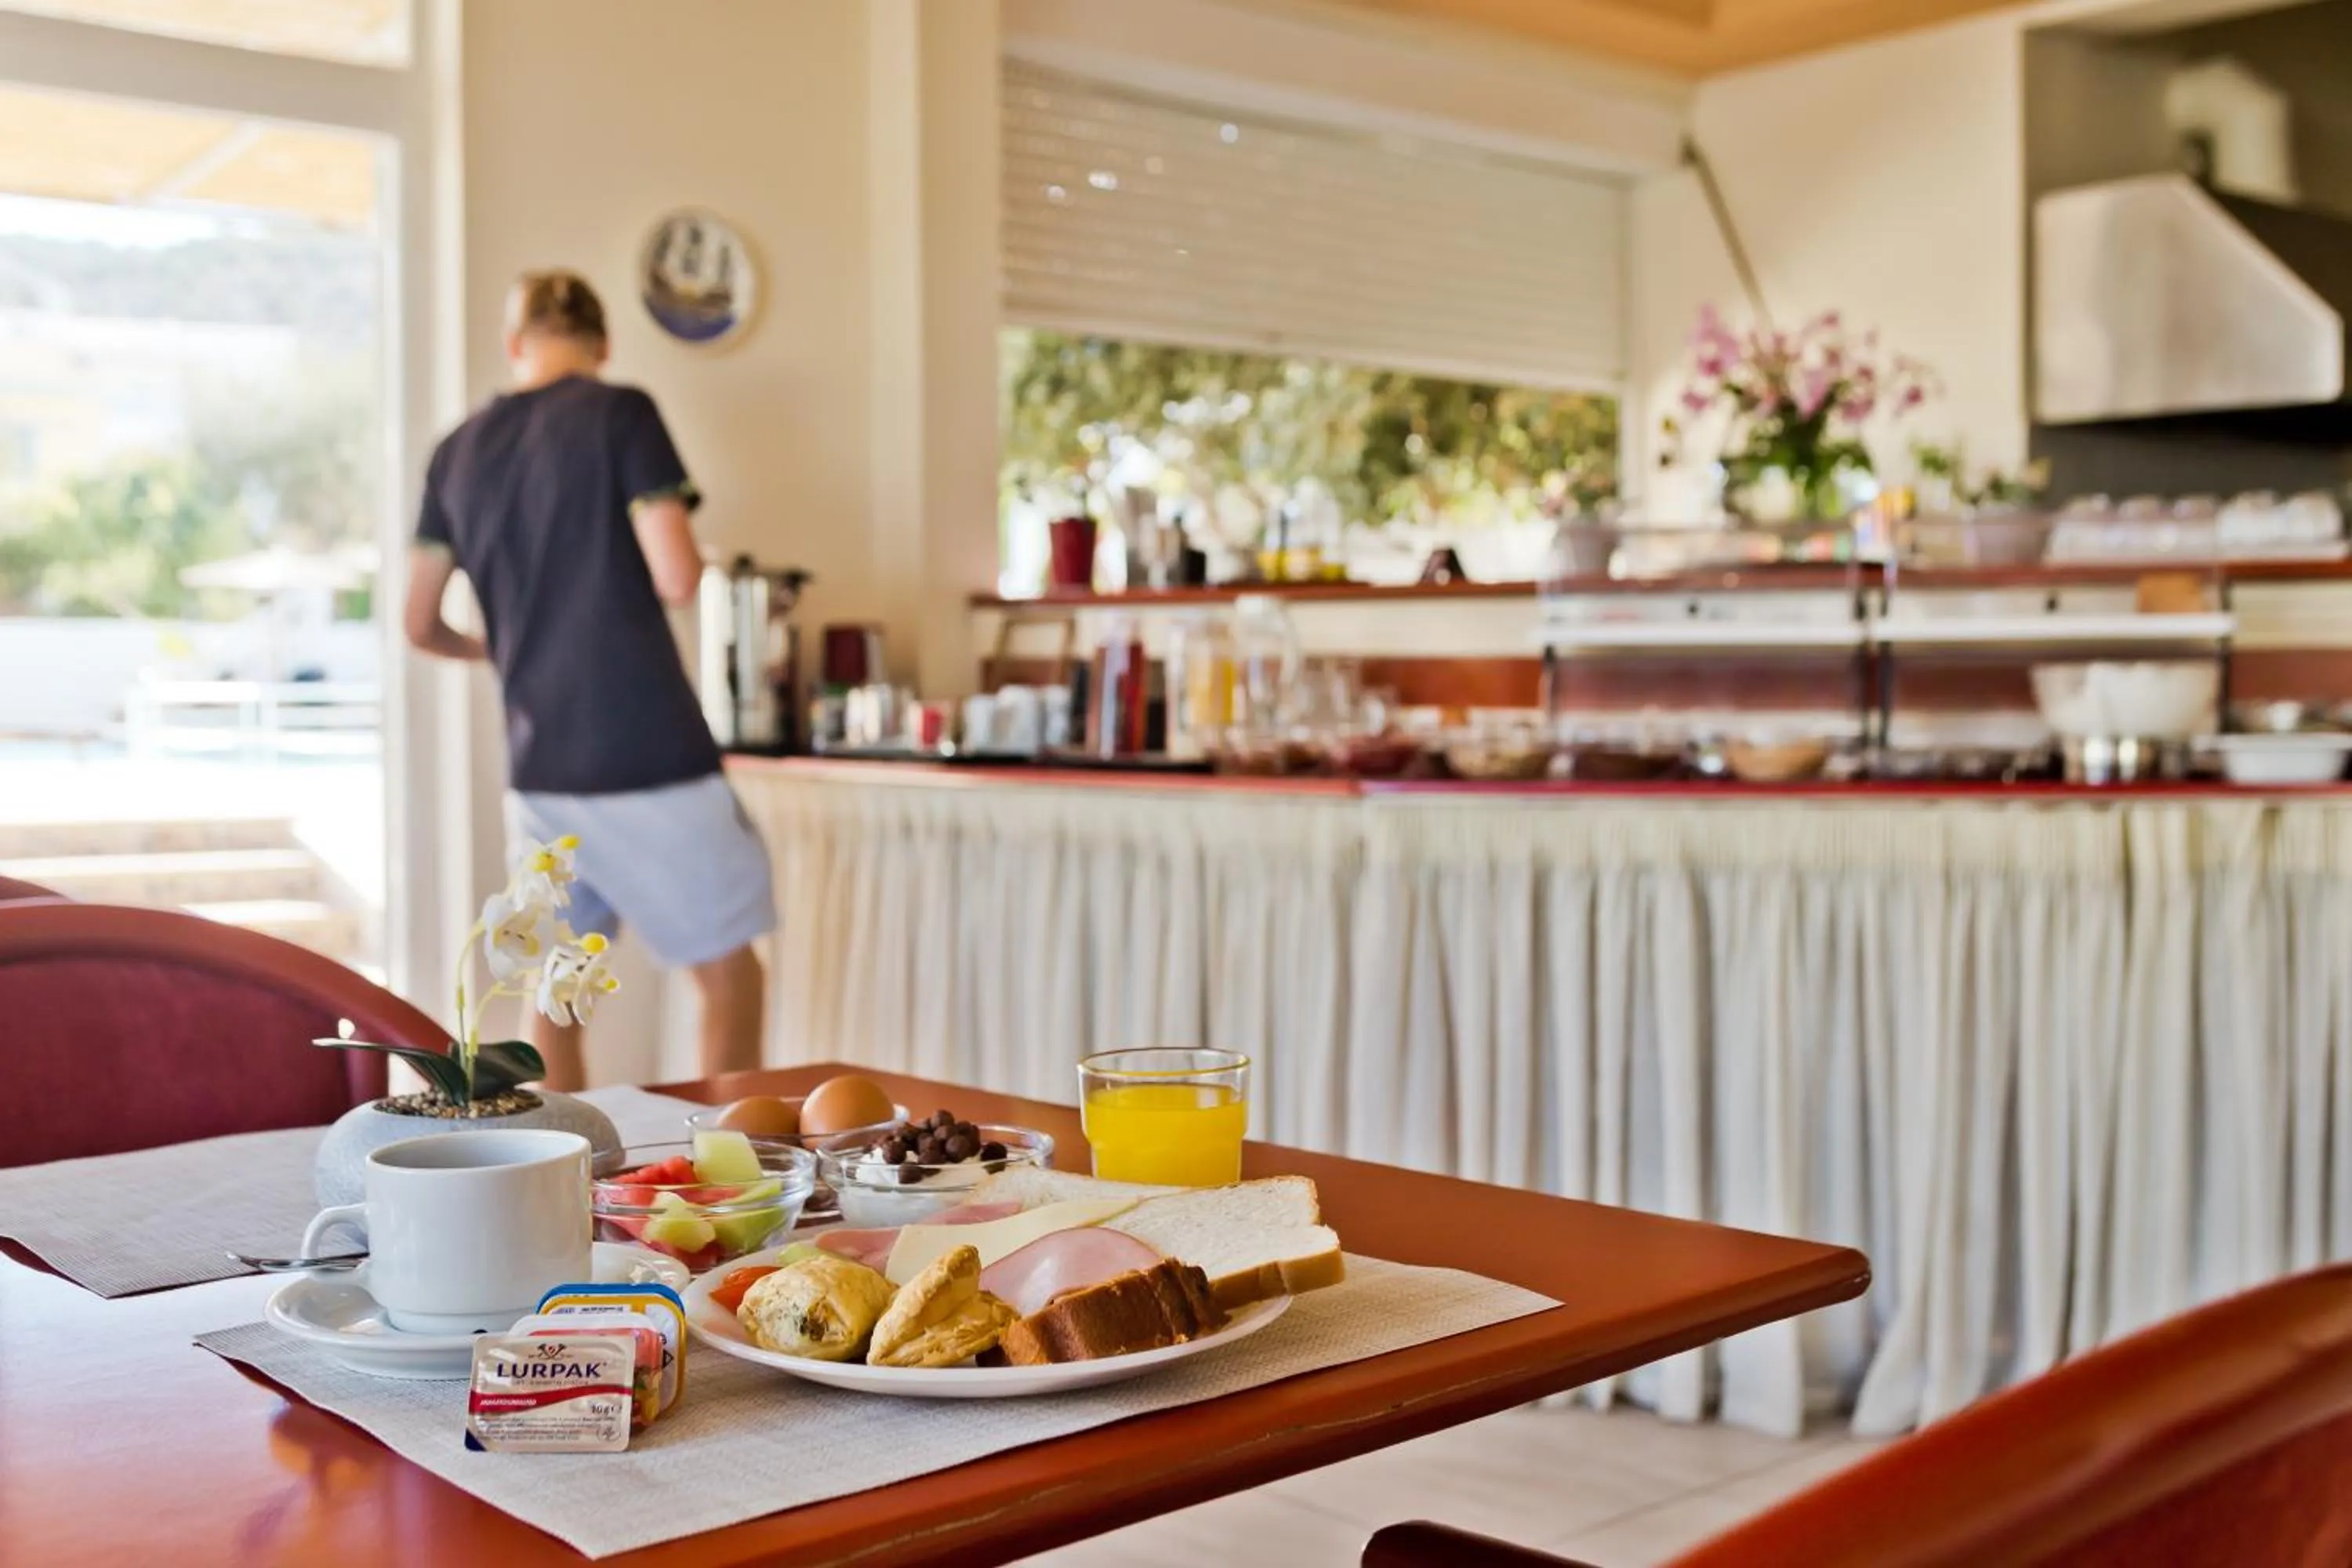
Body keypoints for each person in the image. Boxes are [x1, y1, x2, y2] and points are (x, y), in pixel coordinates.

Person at [403, 269, 772, 1089]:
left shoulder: (455, 452)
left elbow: (419, 621)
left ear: (515, 343)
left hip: (540, 766)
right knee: (729, 976)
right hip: (645, 751)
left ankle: (566, 1185)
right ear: (602, 344)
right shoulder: (621, 412)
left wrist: (498, 651)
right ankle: (726, 1175)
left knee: (555, 988)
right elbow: (677, 575)